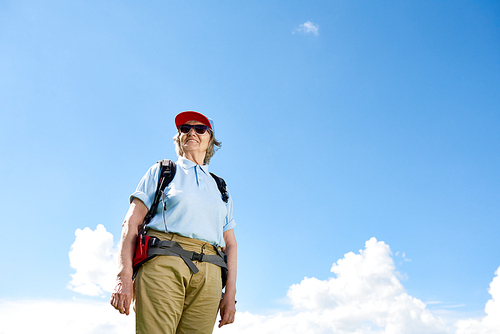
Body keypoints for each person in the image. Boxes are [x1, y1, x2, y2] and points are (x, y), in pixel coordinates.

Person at [110, 111, 237, 333]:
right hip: (164, 262)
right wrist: (123, 276)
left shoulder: (220, 187)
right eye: (185, 129)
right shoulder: (163, 171)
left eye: (200, 129)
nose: (191, 133)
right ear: (179, 138)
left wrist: (230, 295)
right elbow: (131, 223)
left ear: (210, 140)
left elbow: (231, 244)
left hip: (210, 274)